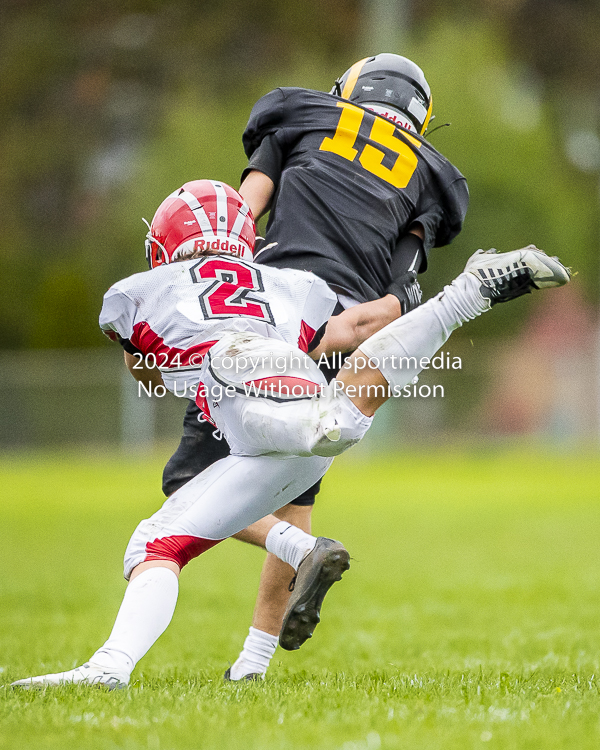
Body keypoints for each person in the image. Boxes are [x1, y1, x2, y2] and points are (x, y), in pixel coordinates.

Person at [11, 178, 570, 690]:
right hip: (285, 407)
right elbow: (349, 327)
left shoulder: (137, 290)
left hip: (239, 380)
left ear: (166, 242)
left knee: (321, 430)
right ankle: (112, 665)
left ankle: (468, 292)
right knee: (165, 534)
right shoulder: (287, 283)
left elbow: (147, 367)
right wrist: (404, 294)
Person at [162, 54, 470, 680]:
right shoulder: (426, 175)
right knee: (292, 488)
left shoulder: (303, 117)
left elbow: (239, 217)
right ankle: (252, 665)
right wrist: (342, 331)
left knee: (185, 482)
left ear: (351, 92)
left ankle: (302, 554)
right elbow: (400, 294)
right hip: (341, 329)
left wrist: (202, 292)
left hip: (269, 310)